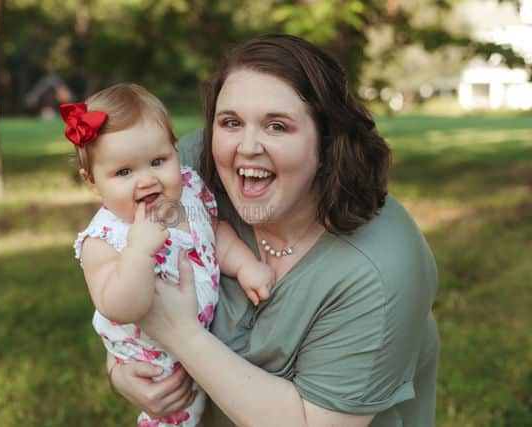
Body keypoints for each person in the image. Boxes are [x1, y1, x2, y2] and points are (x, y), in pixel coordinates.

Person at [107, 34, 439, 427]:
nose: (247, 147)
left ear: (327, 142)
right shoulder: (192, 173)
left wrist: (178, 333)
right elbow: (114, 243)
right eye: (231, 122)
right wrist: (121, 369)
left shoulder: (378, 270)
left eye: (277, 126)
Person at [65, 83, 275, 427]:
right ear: (92, 182)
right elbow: (119, 306)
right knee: (176, 416)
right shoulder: (104, 239)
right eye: (123, 172)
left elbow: (213, 234)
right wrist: (139, 252)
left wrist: (245, 265)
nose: (146, 180)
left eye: (158, 161)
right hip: (157, 362)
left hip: (197, 343)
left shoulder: (185, 195)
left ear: (175, 151)